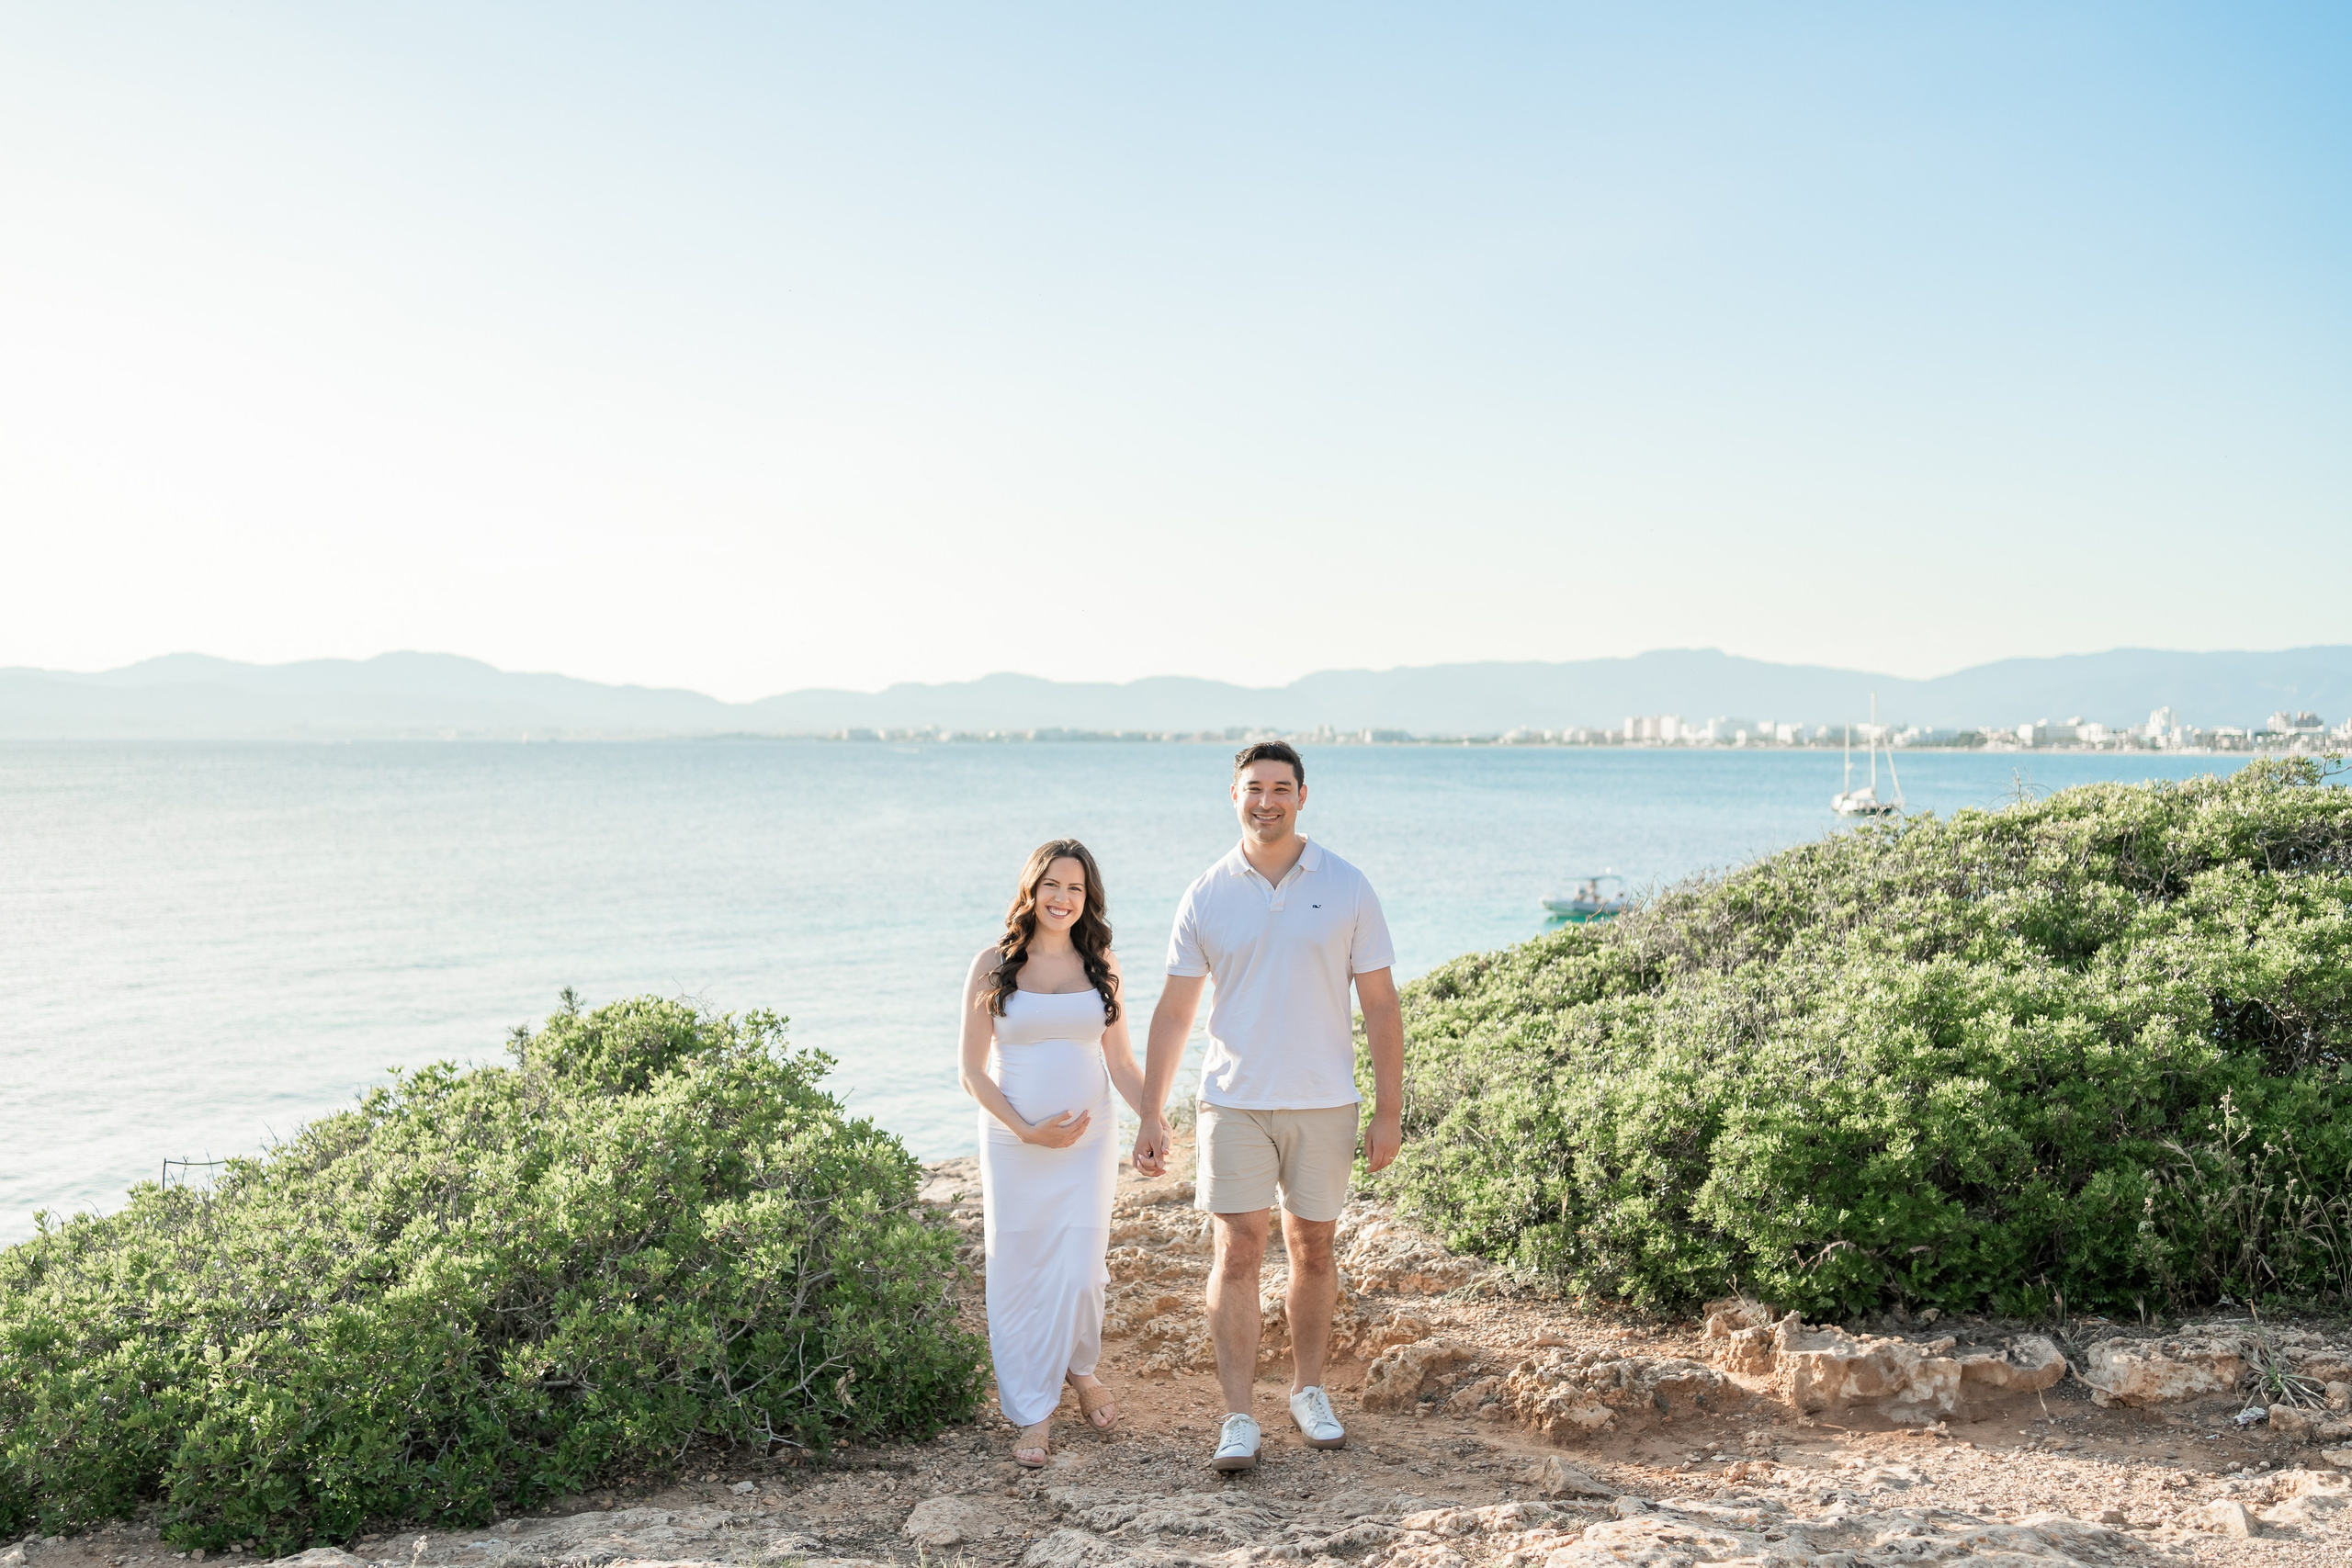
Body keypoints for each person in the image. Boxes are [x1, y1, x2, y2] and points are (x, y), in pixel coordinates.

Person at [1132, 742, 1405, 1471]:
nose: (1267, 800)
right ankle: (1238, 1415)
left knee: (1315, 1247)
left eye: (1281, 787)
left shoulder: (1346, 885)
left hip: (1325, 1101)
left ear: (1303, 796)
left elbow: (1379, 1004)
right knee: (1239, 1249)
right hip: (1233, 1102)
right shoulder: (1206, 891)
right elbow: (1174, 1013)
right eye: (1255, 788)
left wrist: (1389, 1110)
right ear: (1233, 795)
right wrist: (1152, 1111)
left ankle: (1308, 1390)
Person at [960, 839, 1147, 1468]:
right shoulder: (994, 962)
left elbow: (1120, 1062)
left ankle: (1078, 1366)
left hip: (1088, 1145)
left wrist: (1154, 1118)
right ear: (1031, 889)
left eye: (1076, 887)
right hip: (1015, 1146)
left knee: (1080, 1270)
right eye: (1052, 885)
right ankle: (1033, 1410)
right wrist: (1026, 1129)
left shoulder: (1103, 965)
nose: (1063, 898)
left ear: (1088, 896)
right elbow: (972, 1073)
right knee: (1019, 1272)